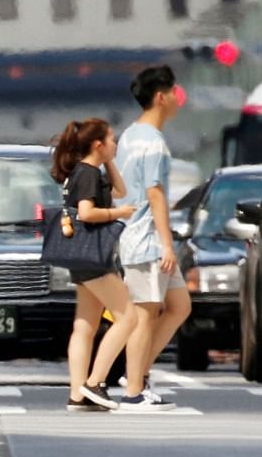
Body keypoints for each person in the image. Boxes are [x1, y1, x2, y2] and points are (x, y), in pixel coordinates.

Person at [114, 65, 191, 411]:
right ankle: (133, 391)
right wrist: (167, 244)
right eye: (174, 92)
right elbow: (155, 194)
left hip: (137, 236)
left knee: (179, 306)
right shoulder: (154, 145)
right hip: (147, 242)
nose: (178, 98)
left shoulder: (129, 135)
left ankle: (137, 373)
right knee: (147, 315)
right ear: (161, 97)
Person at [51, 118, 138, 412]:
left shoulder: (86, 171)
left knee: (85, 325)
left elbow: (121, 189)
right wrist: (118, 213)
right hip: (94, 257)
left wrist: (109, 161)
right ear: (98, 144)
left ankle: (78, 394)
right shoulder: (87, 173)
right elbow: (87, 213)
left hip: (82, 257)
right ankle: (96, 381)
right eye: (111, 140)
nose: (116, 144)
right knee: (128, 316)